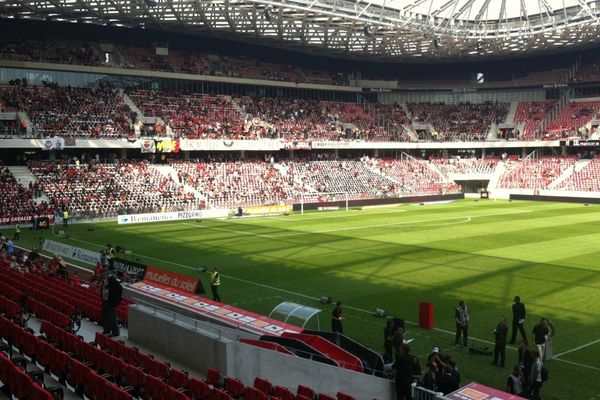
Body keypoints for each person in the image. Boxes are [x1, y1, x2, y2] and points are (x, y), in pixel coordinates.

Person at [101, 273, 123, 337]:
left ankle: (115, 332)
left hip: (111, 302)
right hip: (105, 301)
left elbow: (120, 289)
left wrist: (116, 301)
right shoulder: (105, 281)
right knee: (105, 316)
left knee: (112, 318)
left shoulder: (111, 280)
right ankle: (106, 330)